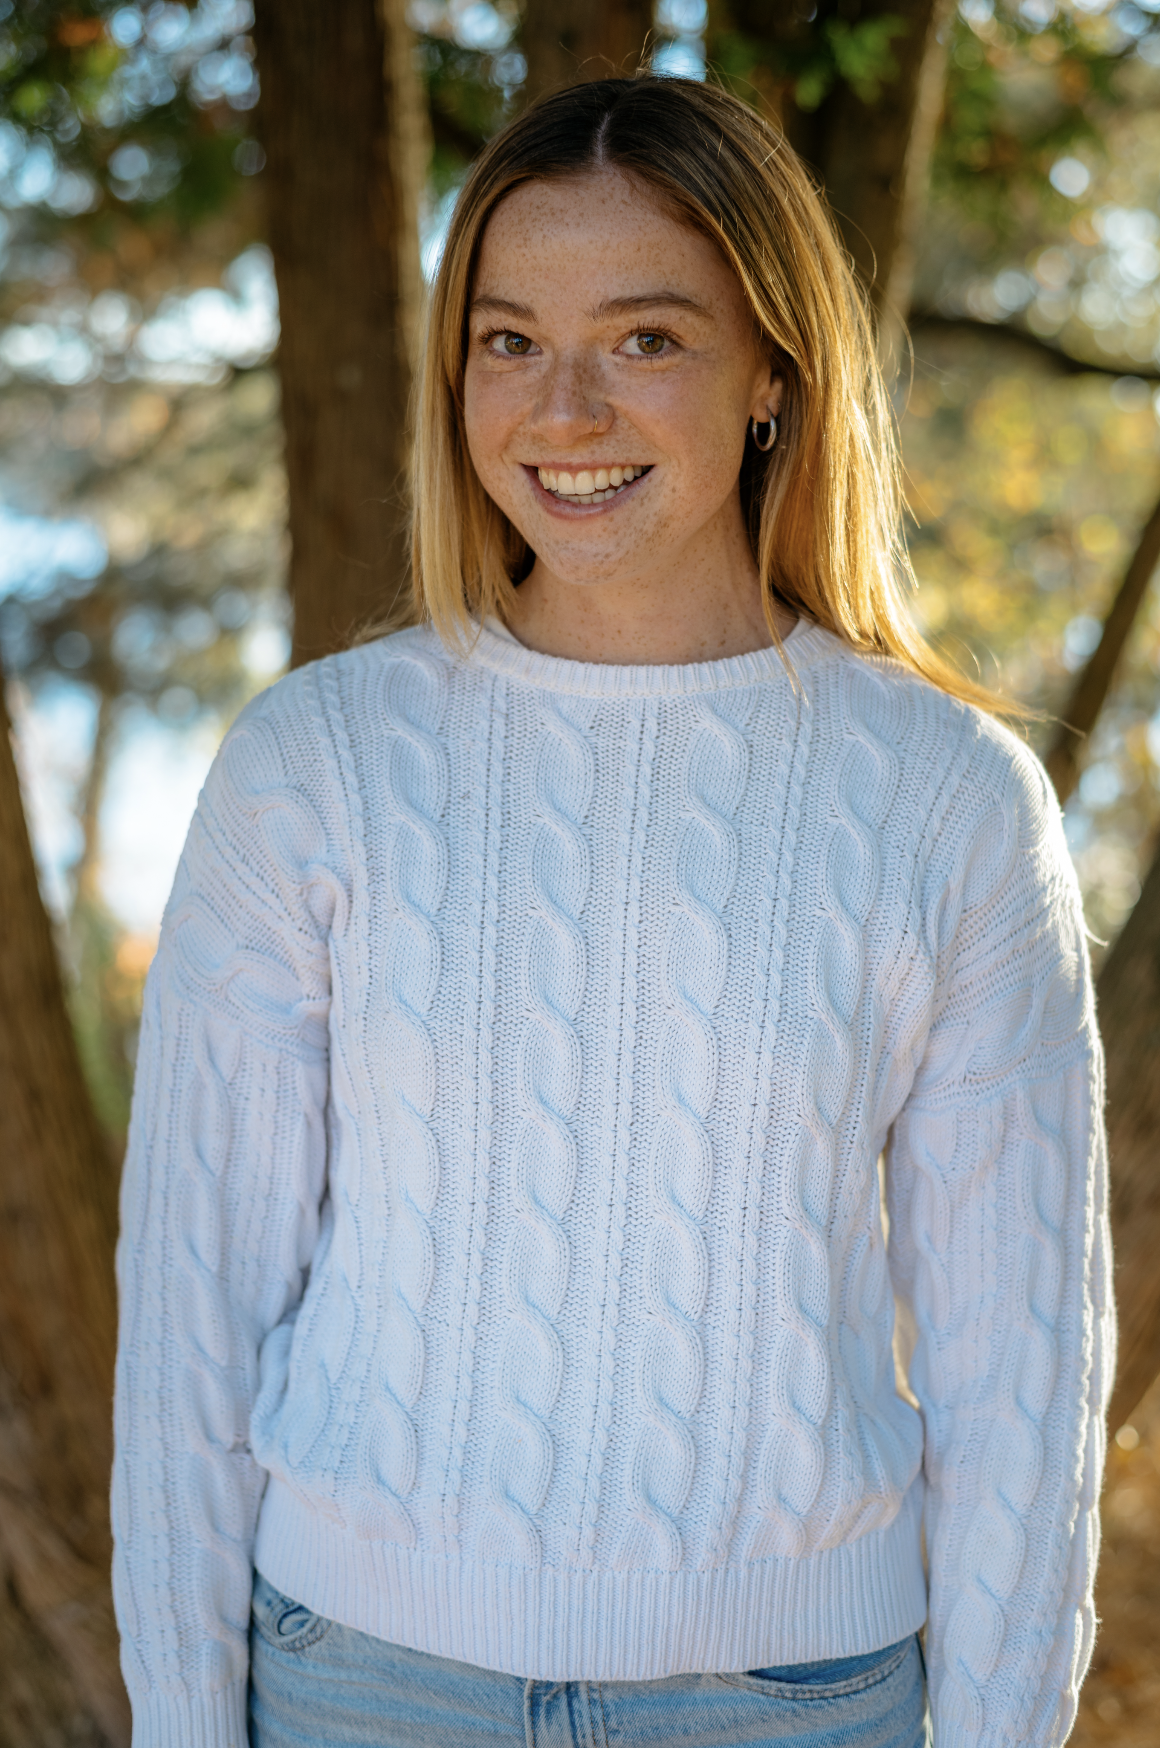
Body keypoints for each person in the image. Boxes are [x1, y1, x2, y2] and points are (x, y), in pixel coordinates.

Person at [112, 76, 1113, 1748]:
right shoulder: (316, 767)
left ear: (773, 371)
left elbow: (1025, 1380)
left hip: (794, 1704)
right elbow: (192, 1317)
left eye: (646, 338)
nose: (564, 410)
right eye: (509, 341)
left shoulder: (945, 802)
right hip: (358, 1685)